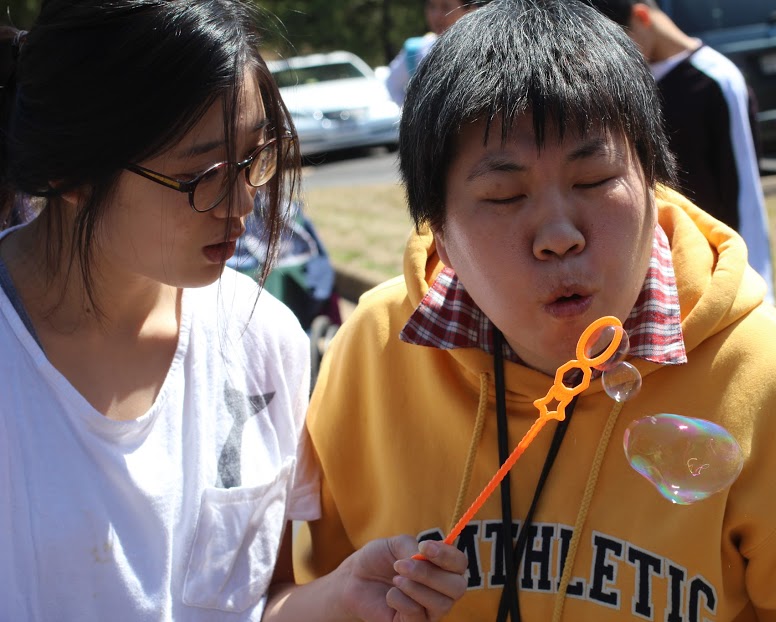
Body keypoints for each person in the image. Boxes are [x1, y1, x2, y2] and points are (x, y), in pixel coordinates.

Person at [296, 0, 776, 619]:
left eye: (593, 180)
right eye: (504, 195)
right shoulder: (373, 352)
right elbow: (301, 586)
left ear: (652, 178)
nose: (559, 236)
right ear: (438, 227)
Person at [0, 2, 466, 621]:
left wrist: (341, 594)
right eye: (204, 175)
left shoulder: (262, 337)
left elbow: (260, 601)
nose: (243, 202)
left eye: (255, 158)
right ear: (70, 171)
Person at [590, 0, 776, 304]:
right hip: (655, 276)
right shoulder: (623, 85)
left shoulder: (717, 79)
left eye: (619, 41)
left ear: (642, 17)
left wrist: (758, 288)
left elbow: (745, 194)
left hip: (717, 273)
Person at [383, 0, 479, 106]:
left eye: (446, 7)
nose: (437, 15)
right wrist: (412, 112)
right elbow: (392, 84)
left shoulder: (482, 52)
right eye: (432, 6)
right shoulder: (416, 52)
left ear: (470, 10)